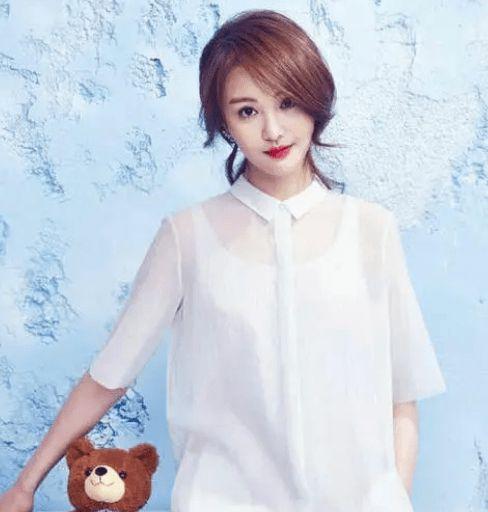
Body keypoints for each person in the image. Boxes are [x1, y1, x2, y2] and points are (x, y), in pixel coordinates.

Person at [0, 9, 446, 512]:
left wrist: (393, 498)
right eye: (247, 111)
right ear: (225, 122)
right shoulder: (187, 237)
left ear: (315, 98)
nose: (273, 130)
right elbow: (109, 375)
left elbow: (402, 396)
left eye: (287, 101)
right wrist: (25, 485)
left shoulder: (371, 230)